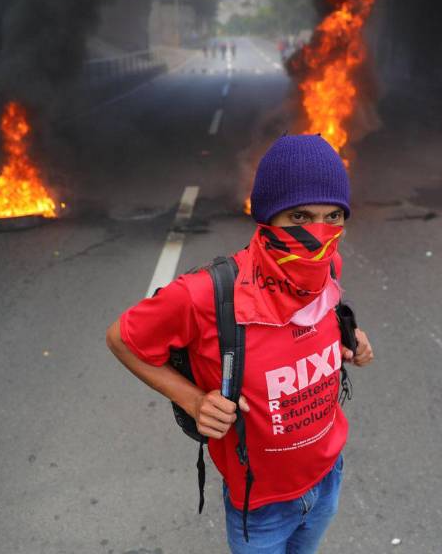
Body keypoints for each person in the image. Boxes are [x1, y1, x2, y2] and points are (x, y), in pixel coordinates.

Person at [106, 134, 374, 553]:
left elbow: (321, 314)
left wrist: (350, 338)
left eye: (333, 216)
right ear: (266, 217)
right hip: (261, 506)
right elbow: (122, 338)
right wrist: (194, 400)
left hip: (328, 477)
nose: (319, 236)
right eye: (300, 217)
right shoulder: (204, 295)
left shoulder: (329, 267)